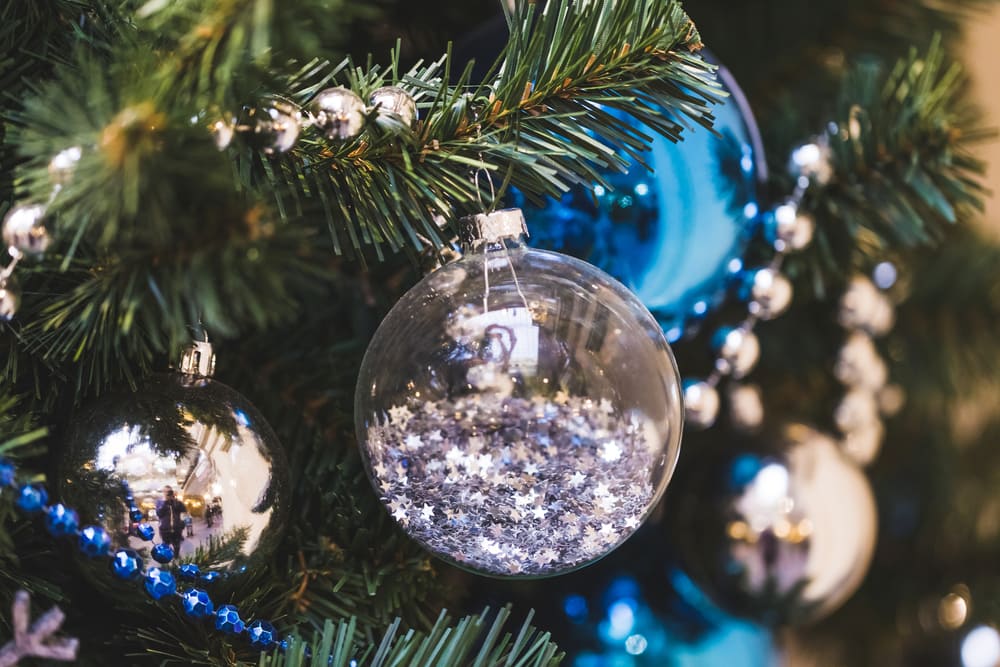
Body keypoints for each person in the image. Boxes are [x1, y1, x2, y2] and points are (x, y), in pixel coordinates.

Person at [156, 486, 185, 556]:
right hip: (165, 529)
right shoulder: (160, 502)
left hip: (176, 528)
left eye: (169, 492)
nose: (167, 494)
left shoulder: (177, 502)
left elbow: (183, 510)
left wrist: (175, 500)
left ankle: (176, 558)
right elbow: (159, 514)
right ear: (163, 493)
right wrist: (165, 502)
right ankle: (167, 560)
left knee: (177, 546)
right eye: (166, 492)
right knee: (166, 546)